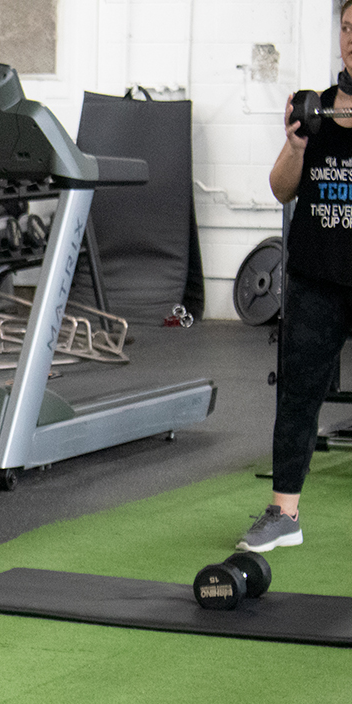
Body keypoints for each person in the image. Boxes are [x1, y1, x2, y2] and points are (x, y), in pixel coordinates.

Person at [245, 0, 352, 553]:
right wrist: (295, 144)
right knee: (298, 396)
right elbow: (281, 188)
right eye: (348, 29)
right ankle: (284, 513)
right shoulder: (314, 110)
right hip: (315, 276)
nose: (351, 41)